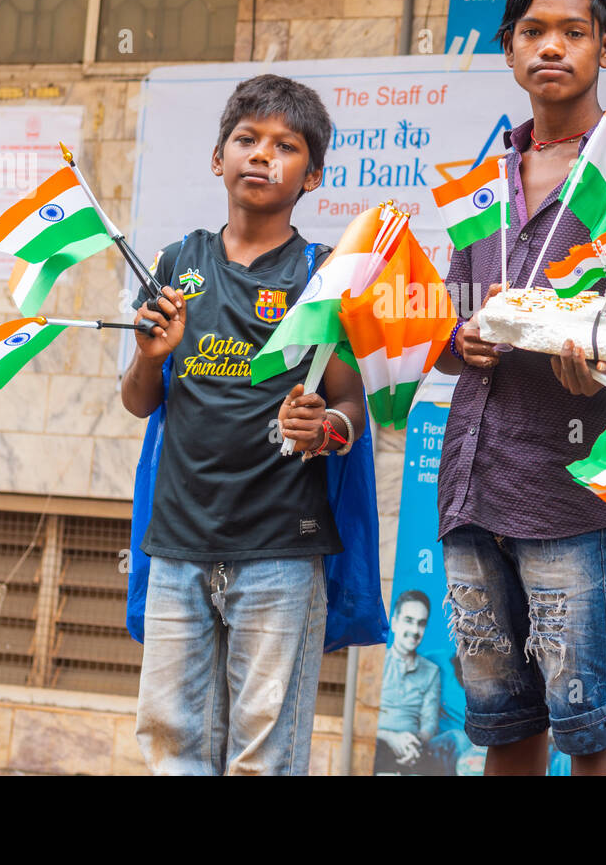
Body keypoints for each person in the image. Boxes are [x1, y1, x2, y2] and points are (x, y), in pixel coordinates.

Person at [433, 0, 606, 776]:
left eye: (573, 32)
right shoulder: (482, 181)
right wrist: (458, 340)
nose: (553, 47)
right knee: (505, 721)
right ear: (509, 51)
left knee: (591, 723)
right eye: (533, 33)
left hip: (571, 488)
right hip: (473, 484)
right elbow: (447, 313)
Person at [122, 73, 366, 775]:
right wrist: (151, 357)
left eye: (285, 146)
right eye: (246, 139)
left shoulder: (324, 276)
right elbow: (141, 400)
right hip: (177, 545)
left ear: (312, 175)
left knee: (264, 753)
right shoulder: (175, 263)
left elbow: (350, 407)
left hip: (280, 551)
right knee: (174, 744)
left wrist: (323, 428)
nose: (262, 155)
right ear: (217, 158)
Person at [374, 589, 462, 775]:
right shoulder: (376, 663)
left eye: (421, 624)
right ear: (395, 622)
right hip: (379, 740)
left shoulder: (431, 671)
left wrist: (413, 741)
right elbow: (363, 718)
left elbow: (429, 724)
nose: (414, 630)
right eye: (408, 621)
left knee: (457, 739)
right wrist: (391, 737)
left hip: (415, 746)